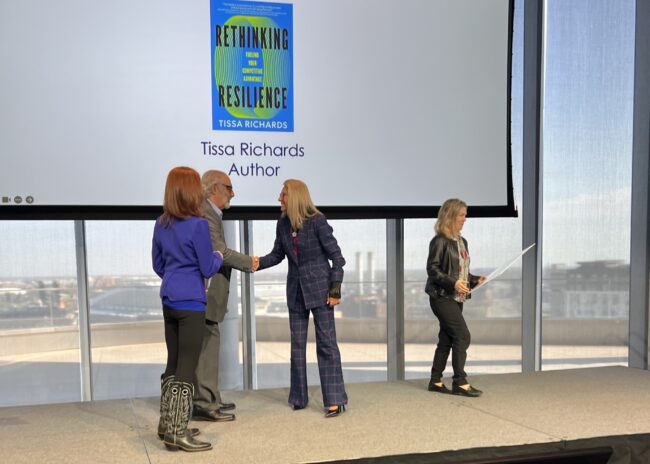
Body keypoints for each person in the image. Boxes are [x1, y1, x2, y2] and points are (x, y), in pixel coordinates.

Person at [257, 179, 348, 418]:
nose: (279, 198)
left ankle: (335, 400)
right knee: (297, 347)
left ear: (295, 197)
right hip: (296, 292)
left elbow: (338, 259)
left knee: (326, 344)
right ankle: (298, 397)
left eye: (283, 194)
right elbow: (277, 255)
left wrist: (335, 289)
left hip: (321, 291)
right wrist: (254, 263)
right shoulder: (282, 223)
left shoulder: (317, 221)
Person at [152, 166, 223, 452]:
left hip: (169, 299)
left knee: (172, 363)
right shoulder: (198, 224)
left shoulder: (161, 223)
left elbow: (158, 265)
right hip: (191, 302)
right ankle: (178, 433)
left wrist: (176, 277)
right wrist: (218, 255)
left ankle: (167, 424)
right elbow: (208, 267)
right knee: (186, 366)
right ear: (192, 191)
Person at [192, 170, 259, 422]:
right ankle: (204, 403)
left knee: (209, 347)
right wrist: (250, 262)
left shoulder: (211, 214)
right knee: (205, 349)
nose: (233, 193)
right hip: (203, 292)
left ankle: (210, 398)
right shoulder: (204, 213)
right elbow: (218, 250)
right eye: (229, 188)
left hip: (207, 294)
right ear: (214, 189)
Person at [424, 198, 486, 397]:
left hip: (456, 297)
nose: (464, 219)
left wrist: (475, 279)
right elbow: (433, 269)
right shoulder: (439, 241)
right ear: (450, 216)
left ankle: (435, 381)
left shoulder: (462, 242)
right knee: (462, 336)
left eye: (465, 215)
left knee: (447, 338)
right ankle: (460, 382)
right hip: (441, 297)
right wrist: (453, 283)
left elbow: (460, 273)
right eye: (461, 215)